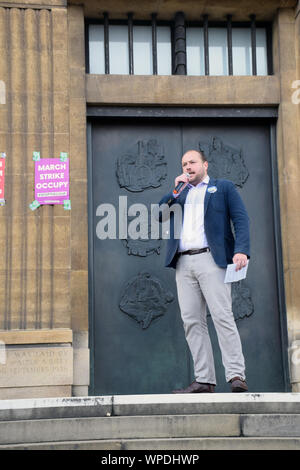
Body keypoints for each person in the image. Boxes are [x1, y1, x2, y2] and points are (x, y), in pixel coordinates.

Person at [158, 149, 250, 393]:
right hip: (184, 263)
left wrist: (241, 250)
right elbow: (160, 214)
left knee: (222, 317)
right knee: (191, 321)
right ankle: (205, 379)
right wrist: (173, 190)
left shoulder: (223, 188)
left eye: (193, 162)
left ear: (205, 165)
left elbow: (240, 219)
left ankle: (236, 375)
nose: (188, 167)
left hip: (212, 259)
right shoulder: (180, 193)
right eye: (184, 164)